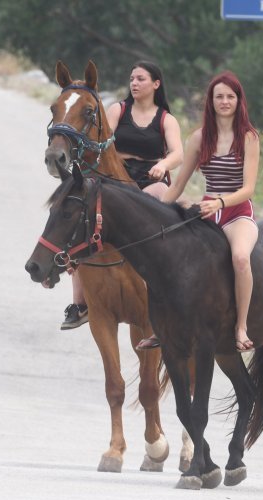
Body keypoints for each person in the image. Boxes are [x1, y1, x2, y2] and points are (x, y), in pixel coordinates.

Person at [135, 70, 260, 351]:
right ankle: (165, 324)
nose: (225, 101)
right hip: (206, 213)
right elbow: (178, 185)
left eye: (230, 96)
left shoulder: (249, 138)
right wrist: (157, 215)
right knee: (172, 259)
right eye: (219, 97)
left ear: (239, 101)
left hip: (237, 212)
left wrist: (220, 202)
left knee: (240, 258)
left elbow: (248, 188)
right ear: (211, 101)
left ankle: (241, 326)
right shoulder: (199, 138)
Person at [61, 60, 183, 330]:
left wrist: (162, 165)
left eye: (140, 78)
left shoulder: (166, 119)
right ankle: (79, 302)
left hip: (149, 177)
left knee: (162, 194)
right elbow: (103, 136)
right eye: (132, 79)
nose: (134, 83)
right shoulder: (118, 109)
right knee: (81, 215)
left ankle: (163, 284)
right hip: (116, 175)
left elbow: (178, 153)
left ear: (156, 84)